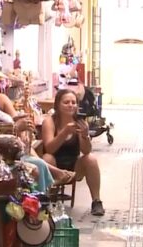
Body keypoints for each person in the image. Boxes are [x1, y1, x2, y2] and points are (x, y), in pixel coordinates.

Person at [41, 88, 105, 216]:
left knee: (91, 159)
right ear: (58, 105)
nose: (70, 105)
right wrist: (64, 133)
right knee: (47, 157)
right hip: (54, 165)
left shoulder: (80, 122)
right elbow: (49, 148)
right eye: (66, 102)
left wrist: (85, 135)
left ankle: (96, 201)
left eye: (73, 102)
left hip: (74, 165)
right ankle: (45, 200)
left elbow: (86, 151)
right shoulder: (50, 121)